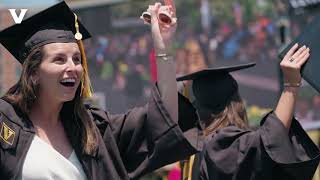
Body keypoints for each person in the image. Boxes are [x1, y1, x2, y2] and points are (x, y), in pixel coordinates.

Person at [0, 1, 202, 180]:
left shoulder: (93, 130)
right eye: (59, 59)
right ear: (34, 73)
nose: (73, 67)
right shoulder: (6, 122)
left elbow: (164, 118)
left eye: (77, 59)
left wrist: (163, 47)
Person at [177, 44, 320, 180]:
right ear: (236, 103)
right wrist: (291, 85)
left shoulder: (195, 145)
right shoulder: (219, 146)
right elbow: (270, 141)